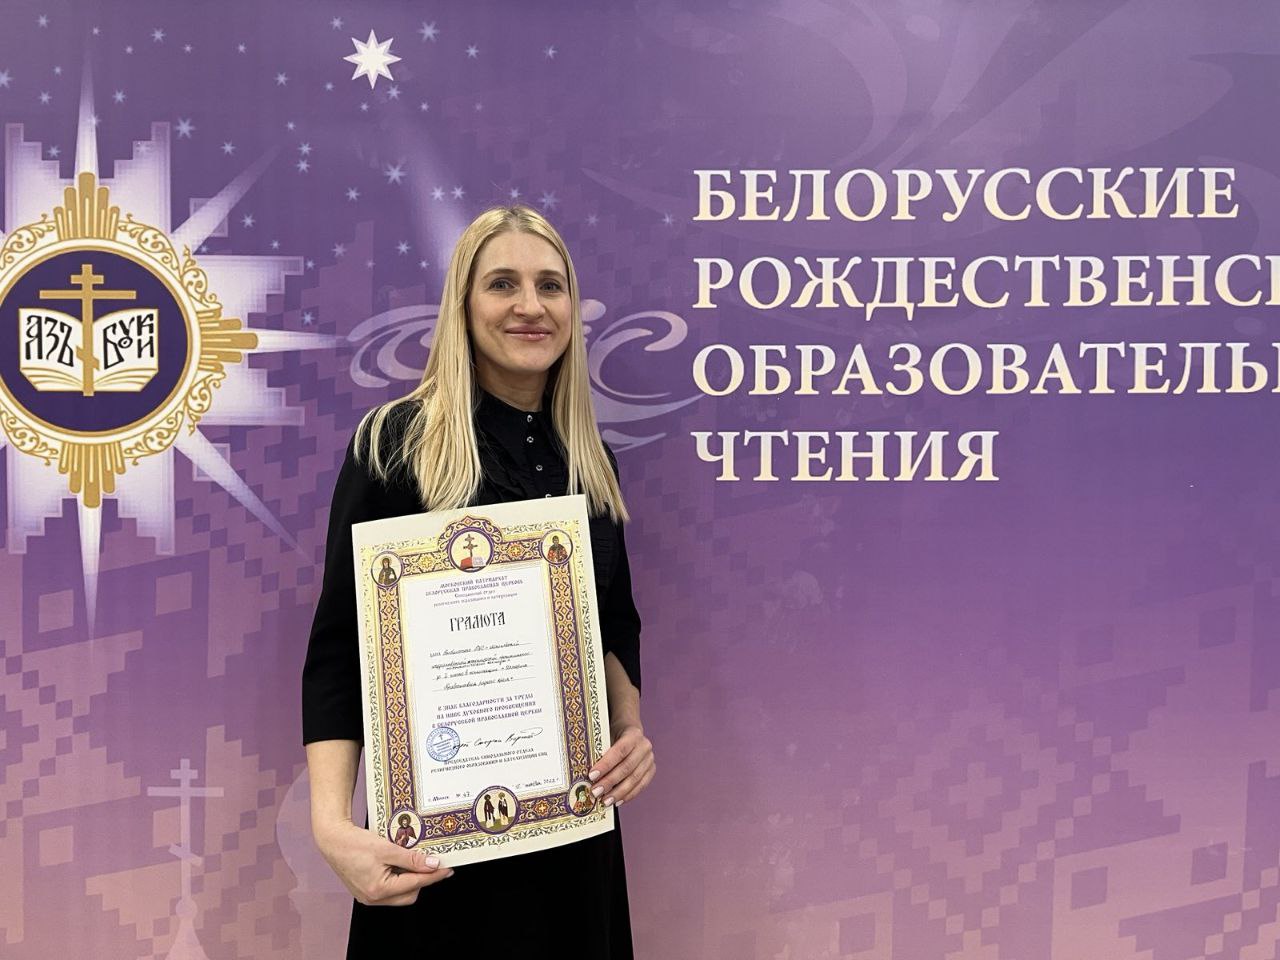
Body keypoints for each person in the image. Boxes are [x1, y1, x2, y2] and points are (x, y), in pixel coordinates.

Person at [301, 205, 655, 958]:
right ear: (463, 305)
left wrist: (628, 730)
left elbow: (615, 620)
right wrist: (331, 825)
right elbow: (339, 649)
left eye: (550, 286)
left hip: (571, 836)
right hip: (437, 857)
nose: (531, 305)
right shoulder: (397, 446)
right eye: (502, 284)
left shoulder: (591, 464)